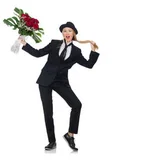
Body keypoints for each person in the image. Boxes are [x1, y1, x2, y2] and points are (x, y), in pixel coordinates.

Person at [19, 21, 100, 151]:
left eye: (69, 31)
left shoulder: (76, 51)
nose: (67, 33)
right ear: (62, 33)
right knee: (48, 112)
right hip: (45, 80)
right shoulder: (54, 44)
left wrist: (93, 51)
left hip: (61, 82)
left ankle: (70, 135)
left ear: (73, 33)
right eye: (64, 31)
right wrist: (25, 44)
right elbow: (38, 53)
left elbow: (89, 65)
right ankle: (52, 141)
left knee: (76, 105)